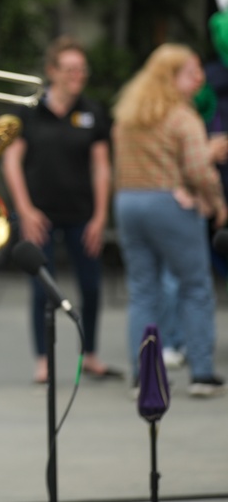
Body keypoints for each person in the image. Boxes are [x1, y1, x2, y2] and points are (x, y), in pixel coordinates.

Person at [1, 36, 121, 384]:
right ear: (52, 71)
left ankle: (92, 354)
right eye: (69, 69)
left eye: (82, 69)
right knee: (42, 288)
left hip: (82, 213)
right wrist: (25, 209)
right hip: (40, 213)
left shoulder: (92, 111)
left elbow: (102, 167)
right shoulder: (30, 109)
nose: (77, 75)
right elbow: (12, 162)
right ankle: (43, 360)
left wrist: (100, 216)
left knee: (92, 286)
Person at [112, 43, 227, 398]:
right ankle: (202, 373)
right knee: (195, 286)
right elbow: (197, 170)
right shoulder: (182, 116)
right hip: (170, 204)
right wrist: (217, 201)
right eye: (191, 73)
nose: (199, 79)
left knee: (143, 290)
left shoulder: (128, 114)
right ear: (171, 77)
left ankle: (142, 375)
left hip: (128, 201)